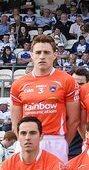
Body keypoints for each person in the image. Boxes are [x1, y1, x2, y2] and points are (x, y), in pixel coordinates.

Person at [10, 35, 81, 163]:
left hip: (55, 140)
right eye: (38, 52)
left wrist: (63, 142)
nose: (42, 56)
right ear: (32, 55)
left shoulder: (67, 80)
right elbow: (16, 123)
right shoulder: (18, 84)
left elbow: (74, 120)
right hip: (27, 139)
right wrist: (24, 139)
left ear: (54, 55)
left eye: (46, 52)